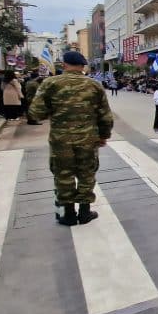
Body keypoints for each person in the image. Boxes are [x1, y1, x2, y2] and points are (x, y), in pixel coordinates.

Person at [27, 50, 113, 226]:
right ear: (82, 67)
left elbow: (36, 113)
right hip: (88, 139)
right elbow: (105, 116)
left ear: (64, 65)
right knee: (86, 173)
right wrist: (104, 136)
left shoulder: (50, 83)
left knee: (63, 174)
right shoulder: (94, 85)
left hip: (61, 139)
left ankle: (68, 214)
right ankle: (85, 212)